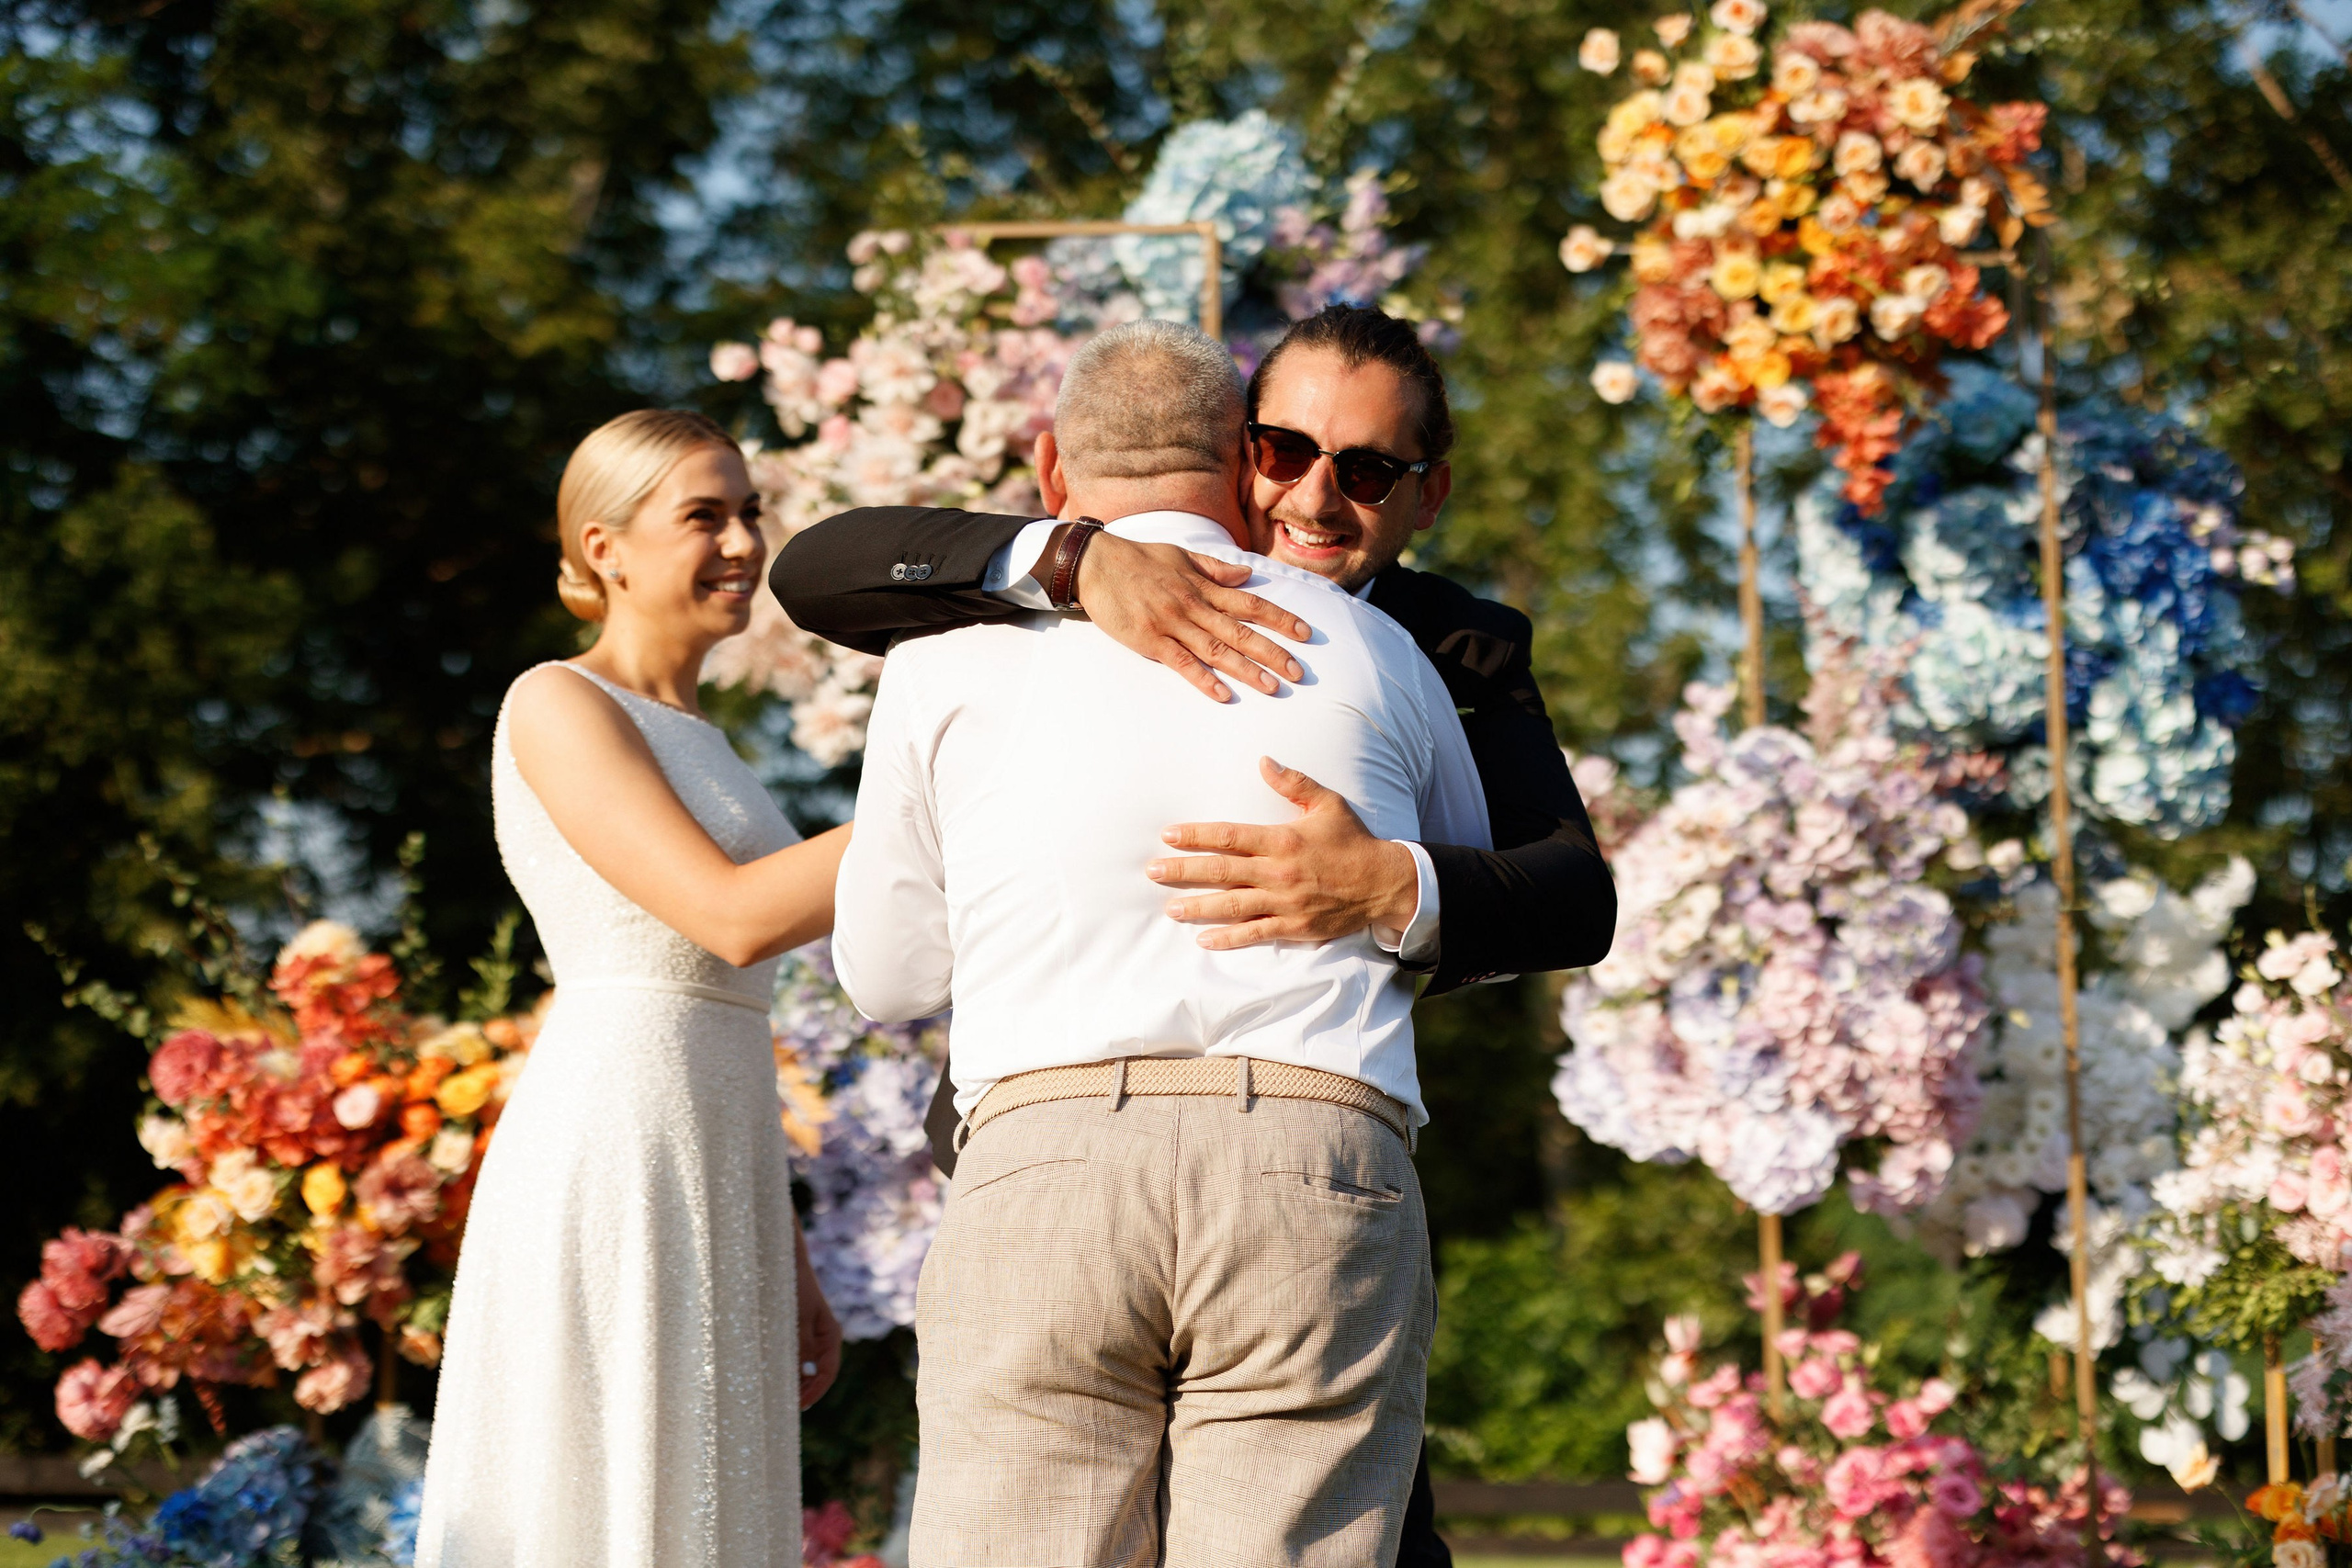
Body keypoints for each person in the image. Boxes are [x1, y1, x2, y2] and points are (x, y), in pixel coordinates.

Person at [775, 304, 1616, 1567]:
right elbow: (820, 566)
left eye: (1369, 470)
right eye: (1286, 451)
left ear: (1425, 494)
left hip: (1203, 1160)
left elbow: (1569, 891)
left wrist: (1387, 886)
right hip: (1276, 1164)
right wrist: (1073, 560)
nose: (1318, 496)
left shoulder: (1440, 643)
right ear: (1236, 455)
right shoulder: (1066, 597)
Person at [415, 411, 846, 1568]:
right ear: (603, 547)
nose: (744, 542)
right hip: (617, 1147)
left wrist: (786, 1243)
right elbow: (730, 913)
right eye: (704, 515)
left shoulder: (713, 742)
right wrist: (938, 797)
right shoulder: (556, 703)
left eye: (749, 511)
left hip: (724, 1153)